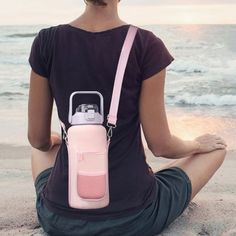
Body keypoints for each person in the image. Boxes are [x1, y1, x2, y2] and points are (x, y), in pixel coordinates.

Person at [27, 0, 227, 235]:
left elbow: (37, 140)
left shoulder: (47, 42)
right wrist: (196, 144)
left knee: (44, 146)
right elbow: (161, 146)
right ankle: (146, 178)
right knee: (216, 149)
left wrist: (53, 140)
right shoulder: (145, 44)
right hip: (133, 217)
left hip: (59, 217)